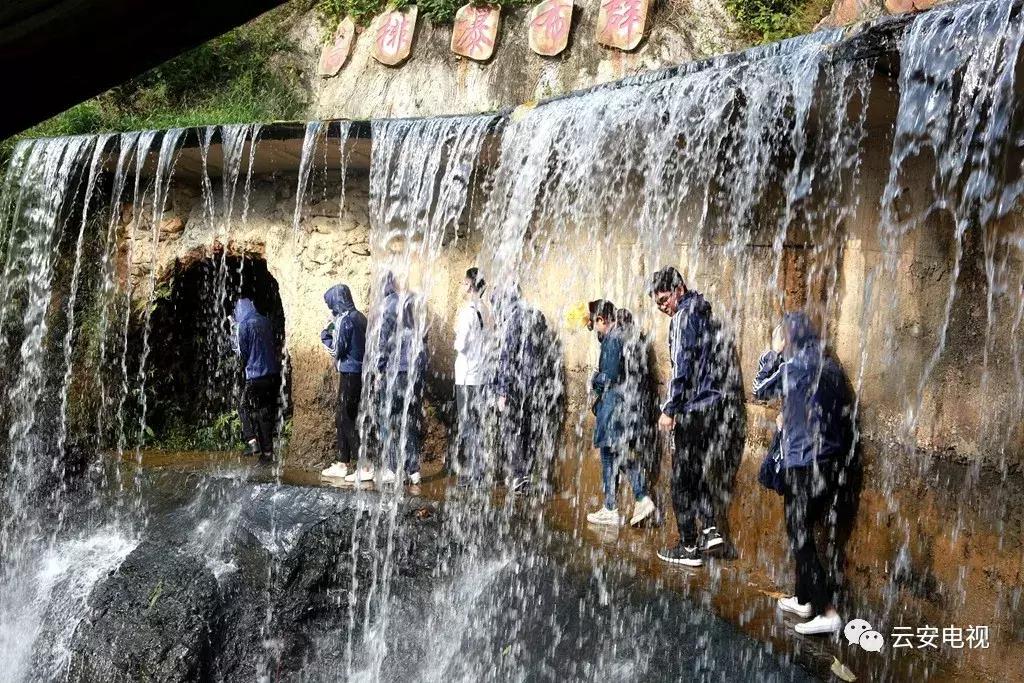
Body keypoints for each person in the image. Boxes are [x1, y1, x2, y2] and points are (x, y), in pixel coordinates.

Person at [754, 312, 858, 636]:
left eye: (783, 337)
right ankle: (803, 598)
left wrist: (772, 352)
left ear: (790, 339)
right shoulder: (831, 368)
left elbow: (760, 389)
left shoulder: (793, 366)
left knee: (798, 532)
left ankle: (827, 610)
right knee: (805, 527)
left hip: (803, 463)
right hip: (831, 463)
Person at [649, 266, 732, 567]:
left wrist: (669, 409)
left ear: (679, 290)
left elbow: (682, 367)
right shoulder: (703, 312)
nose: (662, 308)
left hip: (693, 408)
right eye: (657, 304)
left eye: (664, 300)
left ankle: (687, 547)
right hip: (712, 406)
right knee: (696, 470)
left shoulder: (683, 317)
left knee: (681, 480)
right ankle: (709, 531)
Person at [584, 300, 655, 527]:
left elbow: (611, 376)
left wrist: (594, 379)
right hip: (629, 405)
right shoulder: (628, 335)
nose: (594, 328)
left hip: (616, 405)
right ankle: (612, 506)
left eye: (595, 323)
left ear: (601, 320)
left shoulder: (614, 339)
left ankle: (639, 497)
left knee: (618, 453)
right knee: (612, 453)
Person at [345, 271, 398, 485]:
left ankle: (390, 467)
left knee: (386, 420)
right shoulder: (400, 304)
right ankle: (395, 466)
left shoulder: (386, 308)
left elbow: (383, 344)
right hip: (397, 372)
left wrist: (379, 371)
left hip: (386, 374)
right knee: (390, 420)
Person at [493, 284, 540, 495]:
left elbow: (507, 358)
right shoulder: (531, 316)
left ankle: (518, 477)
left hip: (514, 387)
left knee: (512, 431)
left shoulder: (512, 321)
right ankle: (526, 475)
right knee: (526, 431)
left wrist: (502, 391)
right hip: (529, 385)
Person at [319, 284, 367, 481]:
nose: (331, 309)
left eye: (331, 304)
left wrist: (325, 334)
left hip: (349, 372)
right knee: (344, 416)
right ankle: (342, 462)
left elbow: (336, 350)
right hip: (361, 372)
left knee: (345, 417)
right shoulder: (360, 317)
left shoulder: (345, 320)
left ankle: (363, 466)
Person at [454, 267, 489, 486]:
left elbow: (461, 344)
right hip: (481, 374)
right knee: (477, 423)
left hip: (467, 376)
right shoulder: (486, 309)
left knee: (468, 425)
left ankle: (470, 473)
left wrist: (455, 337)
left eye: (463, 282)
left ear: (469, 284)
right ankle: (480, 470)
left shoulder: (468, 311)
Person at [233, 297, 280, 461]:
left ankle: (251, 440)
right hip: (272, 375)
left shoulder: (244, 325)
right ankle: (267, 453)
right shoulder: (265, 321)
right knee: (264, 412)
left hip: (255, 375)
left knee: (243, 406)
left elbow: (242, 353)